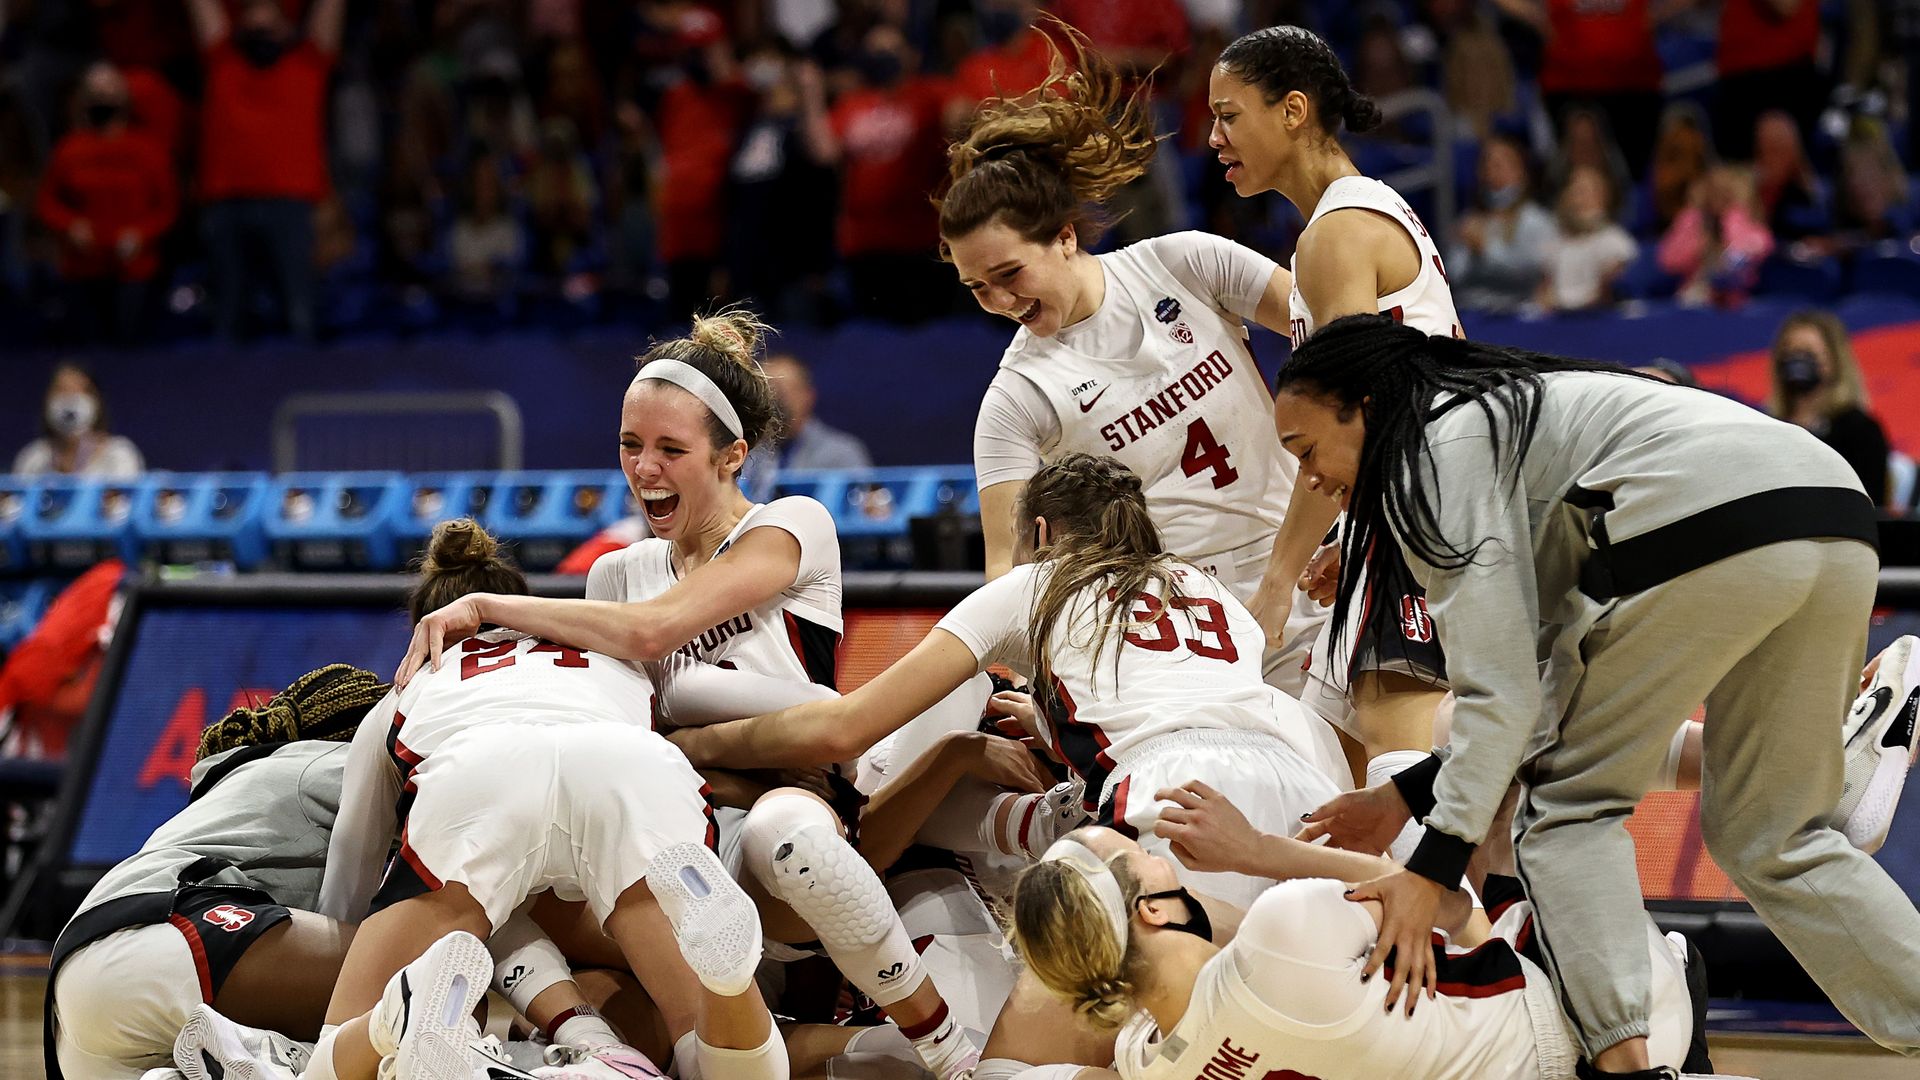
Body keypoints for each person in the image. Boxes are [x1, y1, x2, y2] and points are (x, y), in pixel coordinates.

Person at [1271, 314, 1920, 1077]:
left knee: (1564, 814)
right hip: (1835, 510)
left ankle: (1625, 1069)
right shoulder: (1518, 429)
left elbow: (1502, 700)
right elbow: (1544, 700)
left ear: (1369, 407)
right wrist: (1408, 797)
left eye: (1306, 449)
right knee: (1769, 836)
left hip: (1707, 525)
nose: (1309, 480)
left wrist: (1430, 870)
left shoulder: (1428, 456)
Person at [395, 310, 981, 1080]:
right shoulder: (616, 574)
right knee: (517, 887)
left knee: (792, 838)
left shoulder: (792, 525)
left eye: (672, 450)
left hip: (804, 808)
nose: (644, 469)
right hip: (690, 821)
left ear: (733, 455)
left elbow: (655, 633)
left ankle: (946, 1051)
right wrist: (703, 751)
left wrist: (488, 605)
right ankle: (585, 1052)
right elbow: (637, 735)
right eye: (630, 447)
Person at [668, 453, 1348, 911]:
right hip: (1301, 784)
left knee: (1161, 1024)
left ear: (1042, 533)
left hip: (1168, 797)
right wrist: (1053, 723)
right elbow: (1179, 695)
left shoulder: (1035, 582)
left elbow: (843, 725)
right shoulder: (1208, 588)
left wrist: (700, 746)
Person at [303, 518, 780, 1080]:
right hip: (630, 769)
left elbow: (350, 871)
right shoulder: (617, 653)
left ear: (427, 629)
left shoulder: (418, 679)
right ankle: (728, 986)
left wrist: (363, 948)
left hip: (480, 777)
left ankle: (403, 1016)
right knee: (700, 1039)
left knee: (338, 1050)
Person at [942, 23, 1312, 694]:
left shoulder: (1186, 263)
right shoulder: (1015, 399)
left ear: (1062, 237)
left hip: (1307, 564)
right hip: (1183, 629)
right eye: (976, 289)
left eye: (1008, 273)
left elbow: (1336, 328)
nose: (997, 299)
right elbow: (1009, 571)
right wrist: (1054, 689)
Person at [1203, 23, 1461, 831]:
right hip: (1406, 513)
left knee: (1400, 770)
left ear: (1292, 112)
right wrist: (1341, 541)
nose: (1212, 139)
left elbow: (1347, 424)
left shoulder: (1337, 234)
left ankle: (1458, 945)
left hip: (1419, 515)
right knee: (1352, 773)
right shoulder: (1354, 219)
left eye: (1228, 115)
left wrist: (1276, 580)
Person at [1007, 812, 1705, 1080]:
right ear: (1154, 909)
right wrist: (1259, 852)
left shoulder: (1144, 1062)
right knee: (1489, 754)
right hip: (1597, 1035)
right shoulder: (1281, 936)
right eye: (1142, 855)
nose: (1159, 854)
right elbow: (1444, 904)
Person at [44, 665, 387, 1080]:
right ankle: (282, 1056)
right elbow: (451, 793)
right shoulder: (331, 762)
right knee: (428, 981)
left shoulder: (232, 787)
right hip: (165, 940)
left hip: (76, 1002)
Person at [184, 0, 344, 342]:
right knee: (228, 316)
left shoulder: (308, 62)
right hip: (225, 204)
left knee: (299, 313)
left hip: (291, 205)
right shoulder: (223, 60)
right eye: (254, 29)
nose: (262, 36)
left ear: (288, 29)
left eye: (270, 29)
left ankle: (302, 383)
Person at [34, 60, 177, 343]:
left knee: (132, 346)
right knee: (89, 349)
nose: (103, 97)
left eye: (109, 89)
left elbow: (169, 207)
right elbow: (47, 202)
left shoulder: (148, 149)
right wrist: (70, 225)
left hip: (134, 268)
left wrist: (141, 233)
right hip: (83, 267)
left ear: (124, 97)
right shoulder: (70, 149)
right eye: (95, 90)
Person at [1767, 309, 1892, 506]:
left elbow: (1871, 507)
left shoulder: (1861, 431)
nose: (1797, 359)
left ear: (1834, 361)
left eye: (1808, 352)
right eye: (1789, 351)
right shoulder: (1768, 427)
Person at [740, 353, 874, 501]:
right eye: (765, 392)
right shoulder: (745, 451)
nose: (774, 401)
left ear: (808, 395)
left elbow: (861, 511)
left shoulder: (842, 453)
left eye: (782, 391)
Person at [1449, 133, 1555, 314]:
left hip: (1513, 316)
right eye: (1488, 163)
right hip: (1469, 313)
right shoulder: (1471, 219)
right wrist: (1469, 250)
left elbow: (1532, 274)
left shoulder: (1535, 220)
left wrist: (1485, 249)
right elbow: (1452, 274)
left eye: (1502, 162)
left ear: (1521, 171)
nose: (1493, 169)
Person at [1657, 164, 1773, 308]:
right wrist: (1699, 238)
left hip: (1736, 302)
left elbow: (1762, 247)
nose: (1717, 197)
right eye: (1712, 190)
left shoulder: (1744, 220)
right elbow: (1668, 261)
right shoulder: (1690, 219)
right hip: (1694, 299)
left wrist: (1730, 220)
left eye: (1723, 191)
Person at [13, 361, 144, 478]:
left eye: (81, 391)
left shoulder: (119, 455)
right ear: (47, 401)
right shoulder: (33, 459)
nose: (71, 399)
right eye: (61, 390)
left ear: (97, 402)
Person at [1542, 164, 1636, 311]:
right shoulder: (1557, 241)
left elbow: (1608, 287)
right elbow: (1546, 286)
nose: (1582, 198)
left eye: (1588, 191)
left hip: (1597, 317)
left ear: (1603, 197)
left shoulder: (1614, 239)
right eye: (1577, 191)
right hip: (1559, 317)